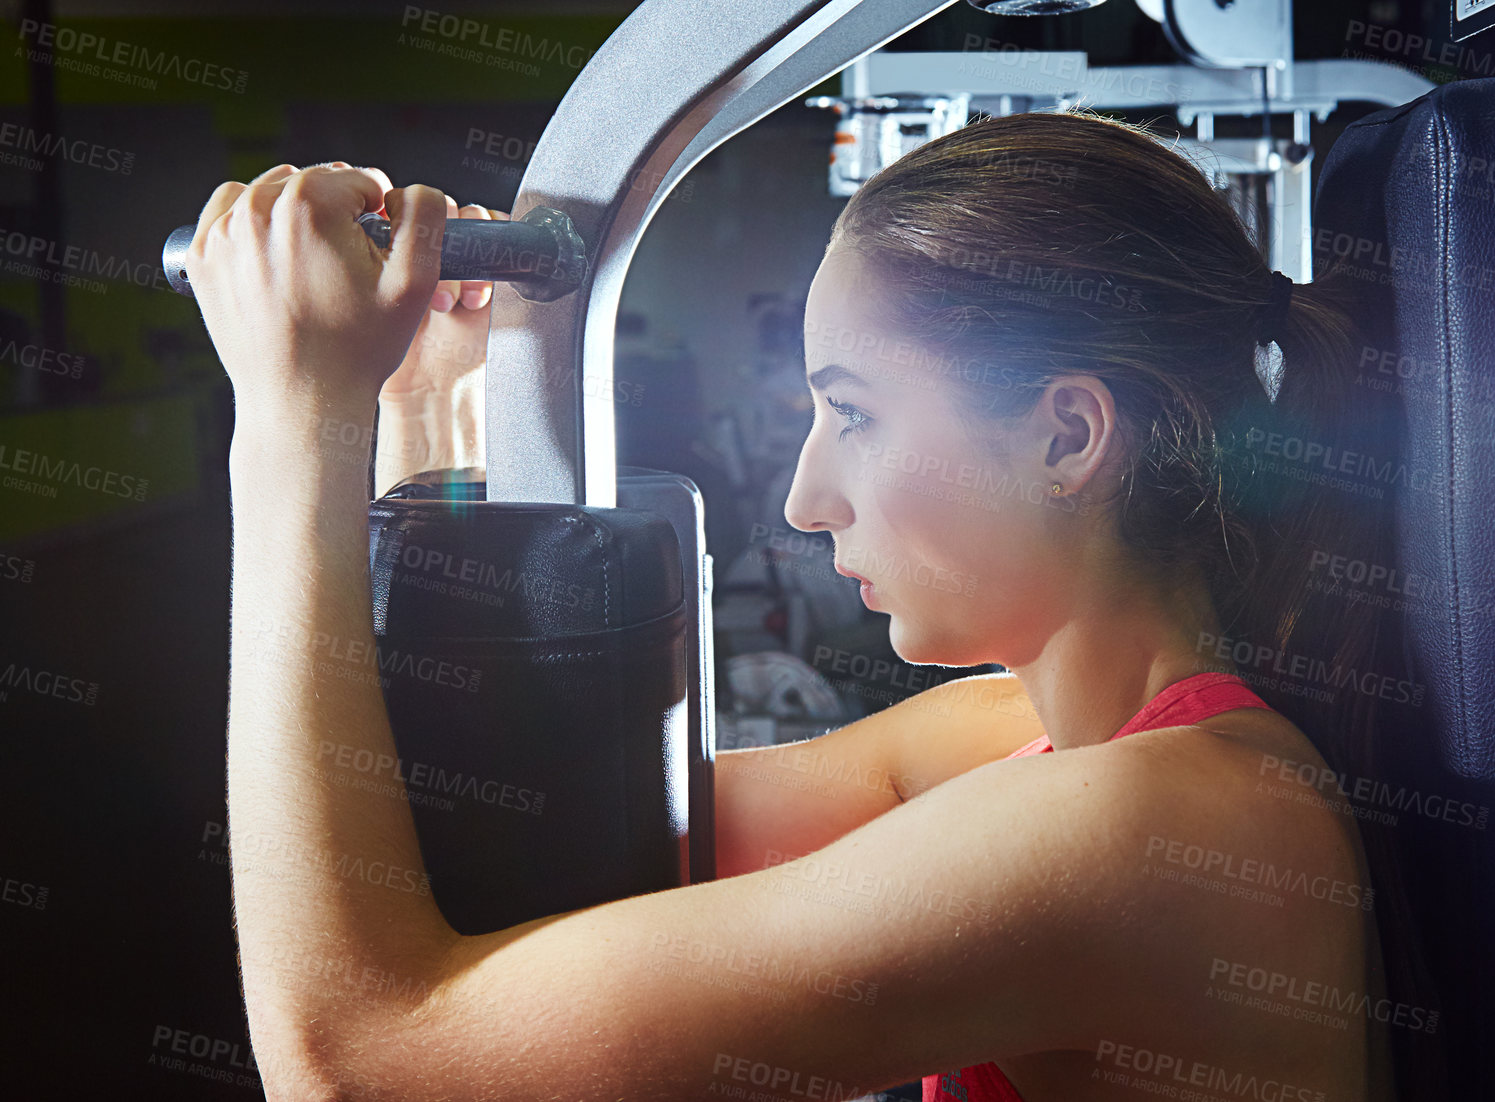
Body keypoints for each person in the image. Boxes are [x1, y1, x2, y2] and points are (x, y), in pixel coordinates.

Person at [189, 107, 1414, 1102]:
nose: (805, 497)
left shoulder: (1156, 827)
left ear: (1068, 434)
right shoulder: (1024, 741)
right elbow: (557, 847)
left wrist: (293, 430)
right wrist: (429, 419)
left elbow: (361, 1068)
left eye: (856, 415)